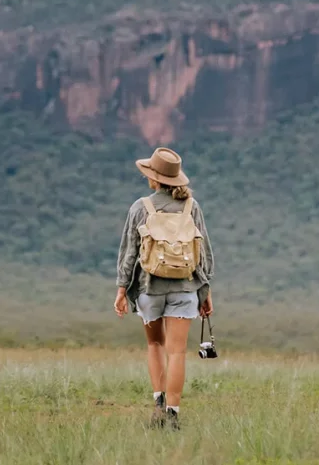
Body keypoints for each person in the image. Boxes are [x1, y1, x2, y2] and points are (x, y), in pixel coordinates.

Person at [114, 146, 214, 431]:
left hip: (148, 288)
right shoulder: (191, 206)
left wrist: (122, 290)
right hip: (185, 289)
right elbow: (202, 255)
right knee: (178, 352)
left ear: (154, 178)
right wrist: (205, 293)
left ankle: (157, 407)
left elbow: (129, 254)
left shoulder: (140, 207)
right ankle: (173, 414)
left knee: (155, 344)